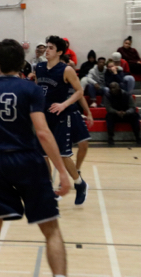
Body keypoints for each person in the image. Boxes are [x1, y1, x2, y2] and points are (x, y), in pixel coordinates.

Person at [0, 39, 71, 277]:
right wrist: (62, 170)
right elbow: (42, 132)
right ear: (22, 63)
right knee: (51, 229)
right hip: (28, 160)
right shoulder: (30, 89)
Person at [35, 36, 88, 206]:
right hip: (43, 117)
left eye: (50, 48)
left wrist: (64, 104)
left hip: (60, 117)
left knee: (63, 155)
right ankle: (49, 191)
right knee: (43, 156)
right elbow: (38, 89)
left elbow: (79, 91)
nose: (46, 50)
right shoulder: (39, 67)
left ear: (59, 52)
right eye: (46, 47)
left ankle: (80, 183)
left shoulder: (66, 70)